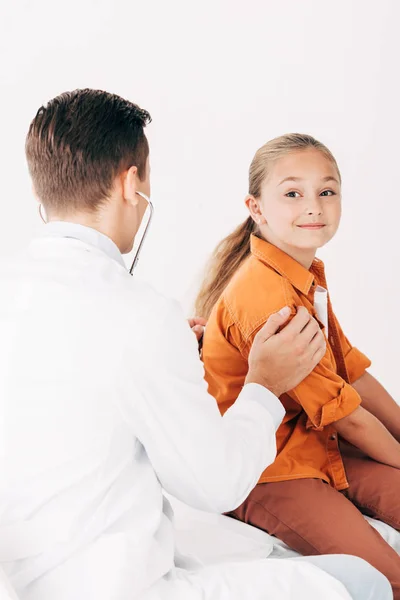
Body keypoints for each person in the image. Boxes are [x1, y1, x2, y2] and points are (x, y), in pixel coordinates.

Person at [0, 92, 390, 600]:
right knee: (364, 584)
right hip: (120, 585)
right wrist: (263, 386)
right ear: (131, 183)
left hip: (25, 580)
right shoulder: (139, 312)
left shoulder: (19, 292)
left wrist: (166, 353)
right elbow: (214, 484)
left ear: (37, 187)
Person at [197, 132, 400, 598]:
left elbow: (352, 372)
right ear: (257, 208)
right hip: (270, 472)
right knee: (390, 579)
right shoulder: (267, 297)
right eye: (293, 193)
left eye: (326, 191)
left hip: (316, 443)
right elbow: (348, 417)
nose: (314, 206)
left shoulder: (306, 275)